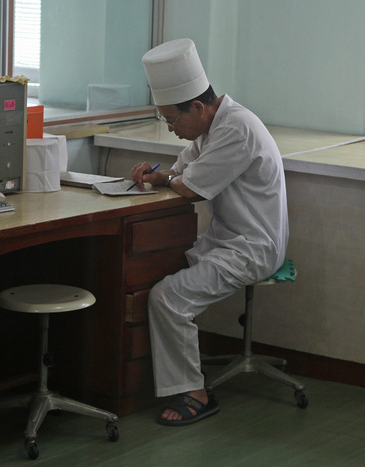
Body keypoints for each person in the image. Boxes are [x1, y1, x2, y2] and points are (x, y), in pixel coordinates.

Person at [131, 38, 289, 426]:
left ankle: (196, 393)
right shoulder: (207, 129)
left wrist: (169, 178)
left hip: (253, 248)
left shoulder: (236, 129)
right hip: (228, 239)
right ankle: (143, 378)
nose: (172, 129)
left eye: (173, 120)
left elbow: (189, 186)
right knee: (154, 273)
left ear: (198, 107)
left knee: (167, 297)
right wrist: (155, 174)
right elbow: (178, 172)